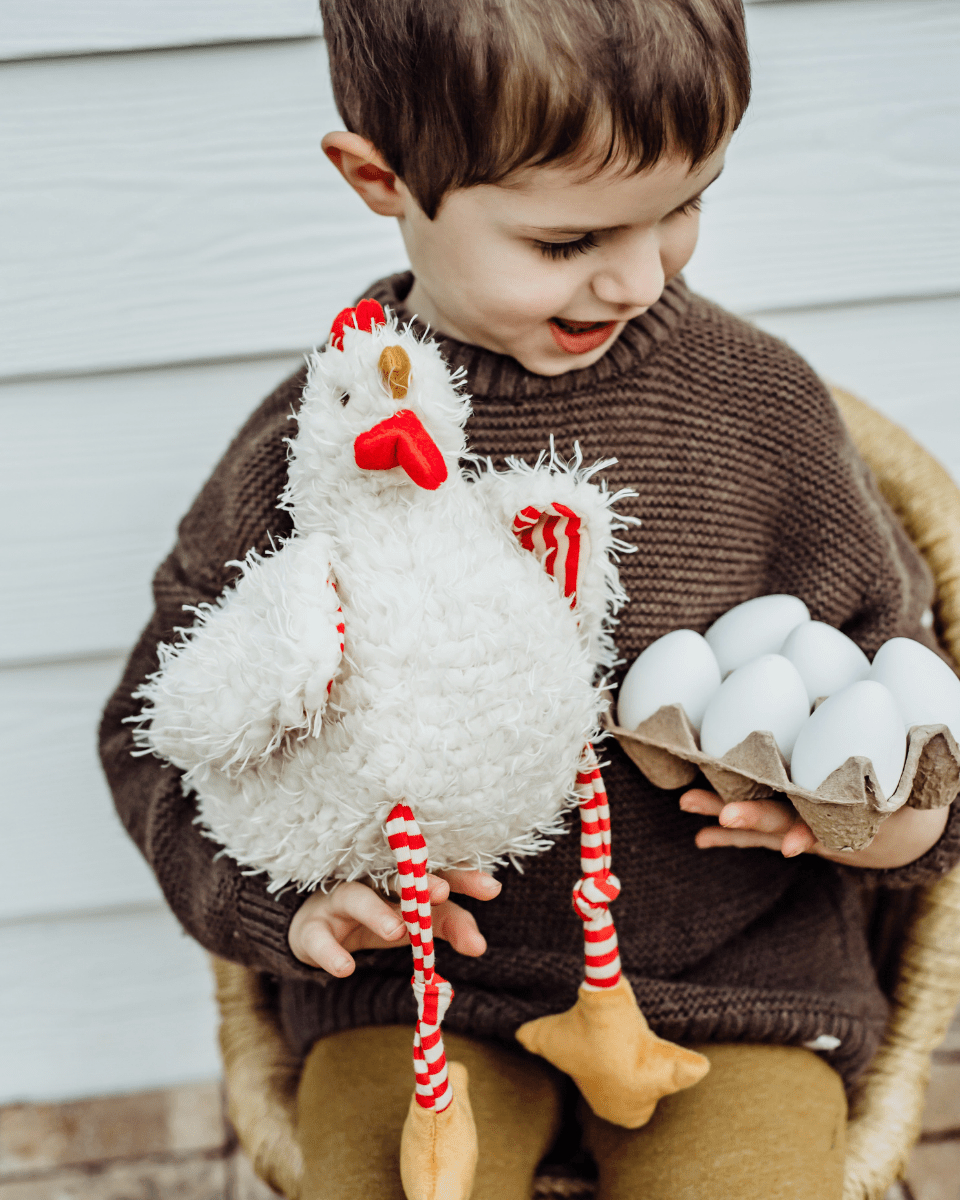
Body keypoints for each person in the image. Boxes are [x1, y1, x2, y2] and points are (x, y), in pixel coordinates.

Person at [99, 2, 960, 1197]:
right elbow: (158, 733)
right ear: (379, 178)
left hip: (730, 997)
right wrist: (283, 906)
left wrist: (883, 819)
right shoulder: (323, 446)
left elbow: (902, 690)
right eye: (567, 242)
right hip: (415, 1006)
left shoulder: (763, 415)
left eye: (686, 205)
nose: (639, 271)